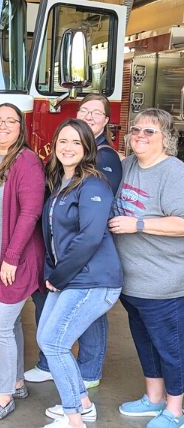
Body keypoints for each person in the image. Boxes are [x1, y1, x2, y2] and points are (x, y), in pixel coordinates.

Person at [26, 94, 122, 388]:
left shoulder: (100, 165)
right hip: (68, 265)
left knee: (83, 321)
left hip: (87, 270)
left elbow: (91, 230)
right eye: (84, 110)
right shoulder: (65, 172)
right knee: (53, 333)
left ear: (106, 121)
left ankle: (88, 377)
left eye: (97, 113)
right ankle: (66, 379)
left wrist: (60, 273)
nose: (89, 116)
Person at [109, 108, 184, 428]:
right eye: (135, 129)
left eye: (149, 131)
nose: (139, 135)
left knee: (170, 348)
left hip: (163, 282)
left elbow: (182, 223)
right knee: (145, 343)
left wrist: (137, 223)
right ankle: (154, 399)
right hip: (131, 281)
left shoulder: (174, 172)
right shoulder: (126, 166)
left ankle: (176, 410)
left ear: (165, 138)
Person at [0, 103, 45, 423]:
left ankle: (4, 398)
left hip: (12, 260)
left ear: (21, 127)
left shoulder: (26, 160)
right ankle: (15, 383)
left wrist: (11, 258)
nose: (2, 126)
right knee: (9, 324)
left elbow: (30, 213)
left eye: (10, 121)